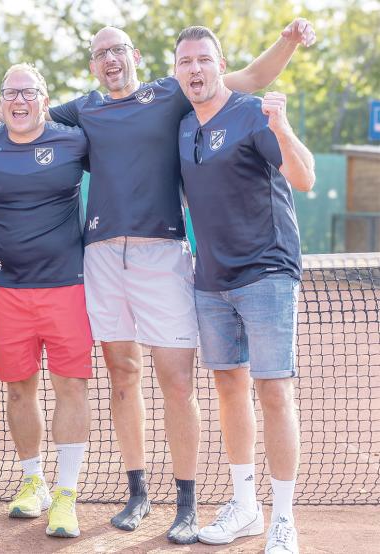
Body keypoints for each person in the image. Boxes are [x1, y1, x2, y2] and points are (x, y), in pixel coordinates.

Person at [47, 20, 315, 543]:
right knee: (167, 377)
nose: (110, 59)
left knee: (222, 385)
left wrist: (286, 40)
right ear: (92, 63)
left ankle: (217, 506)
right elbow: (23, 112)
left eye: (118, 49)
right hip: (132, 261)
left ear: (138, 55)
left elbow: (255, 76)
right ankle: (150, 493)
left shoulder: (179, 97)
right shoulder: (87, 108)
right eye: (100, 53)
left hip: (201, 260)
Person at [174, 25, 314, 554]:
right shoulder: (184, 126)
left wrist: (281, 125)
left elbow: (305, 179)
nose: (194, 69)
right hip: (210, 281)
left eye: (203, 60)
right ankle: (245, 506)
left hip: (267, 273)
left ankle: (283, 517)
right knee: (229, 390)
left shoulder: (252, 112)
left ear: (219, 63)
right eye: (185, 61)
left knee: (274, 391)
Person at [0, 64, 93, 538]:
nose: (19, 101)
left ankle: (66, 493)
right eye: (9, 93)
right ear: (0, 101)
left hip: (67, 288)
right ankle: (32, 480)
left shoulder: (73, 140)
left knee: (70, 388)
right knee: (19, 388)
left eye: (28, 92)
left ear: (44, 97)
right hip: (6, 291)